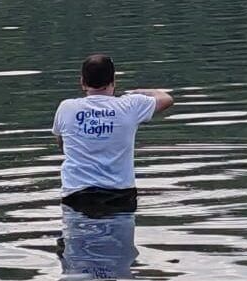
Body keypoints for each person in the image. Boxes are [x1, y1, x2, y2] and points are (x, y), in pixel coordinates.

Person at [51, 53, 174, 214]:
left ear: (82, 82)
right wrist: (140, 92)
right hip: (121, 197)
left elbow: (62, 144)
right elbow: (166, 99)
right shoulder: (131, 105)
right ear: (114, 80)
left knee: (76, 238)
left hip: (76, 196)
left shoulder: (66, 108)